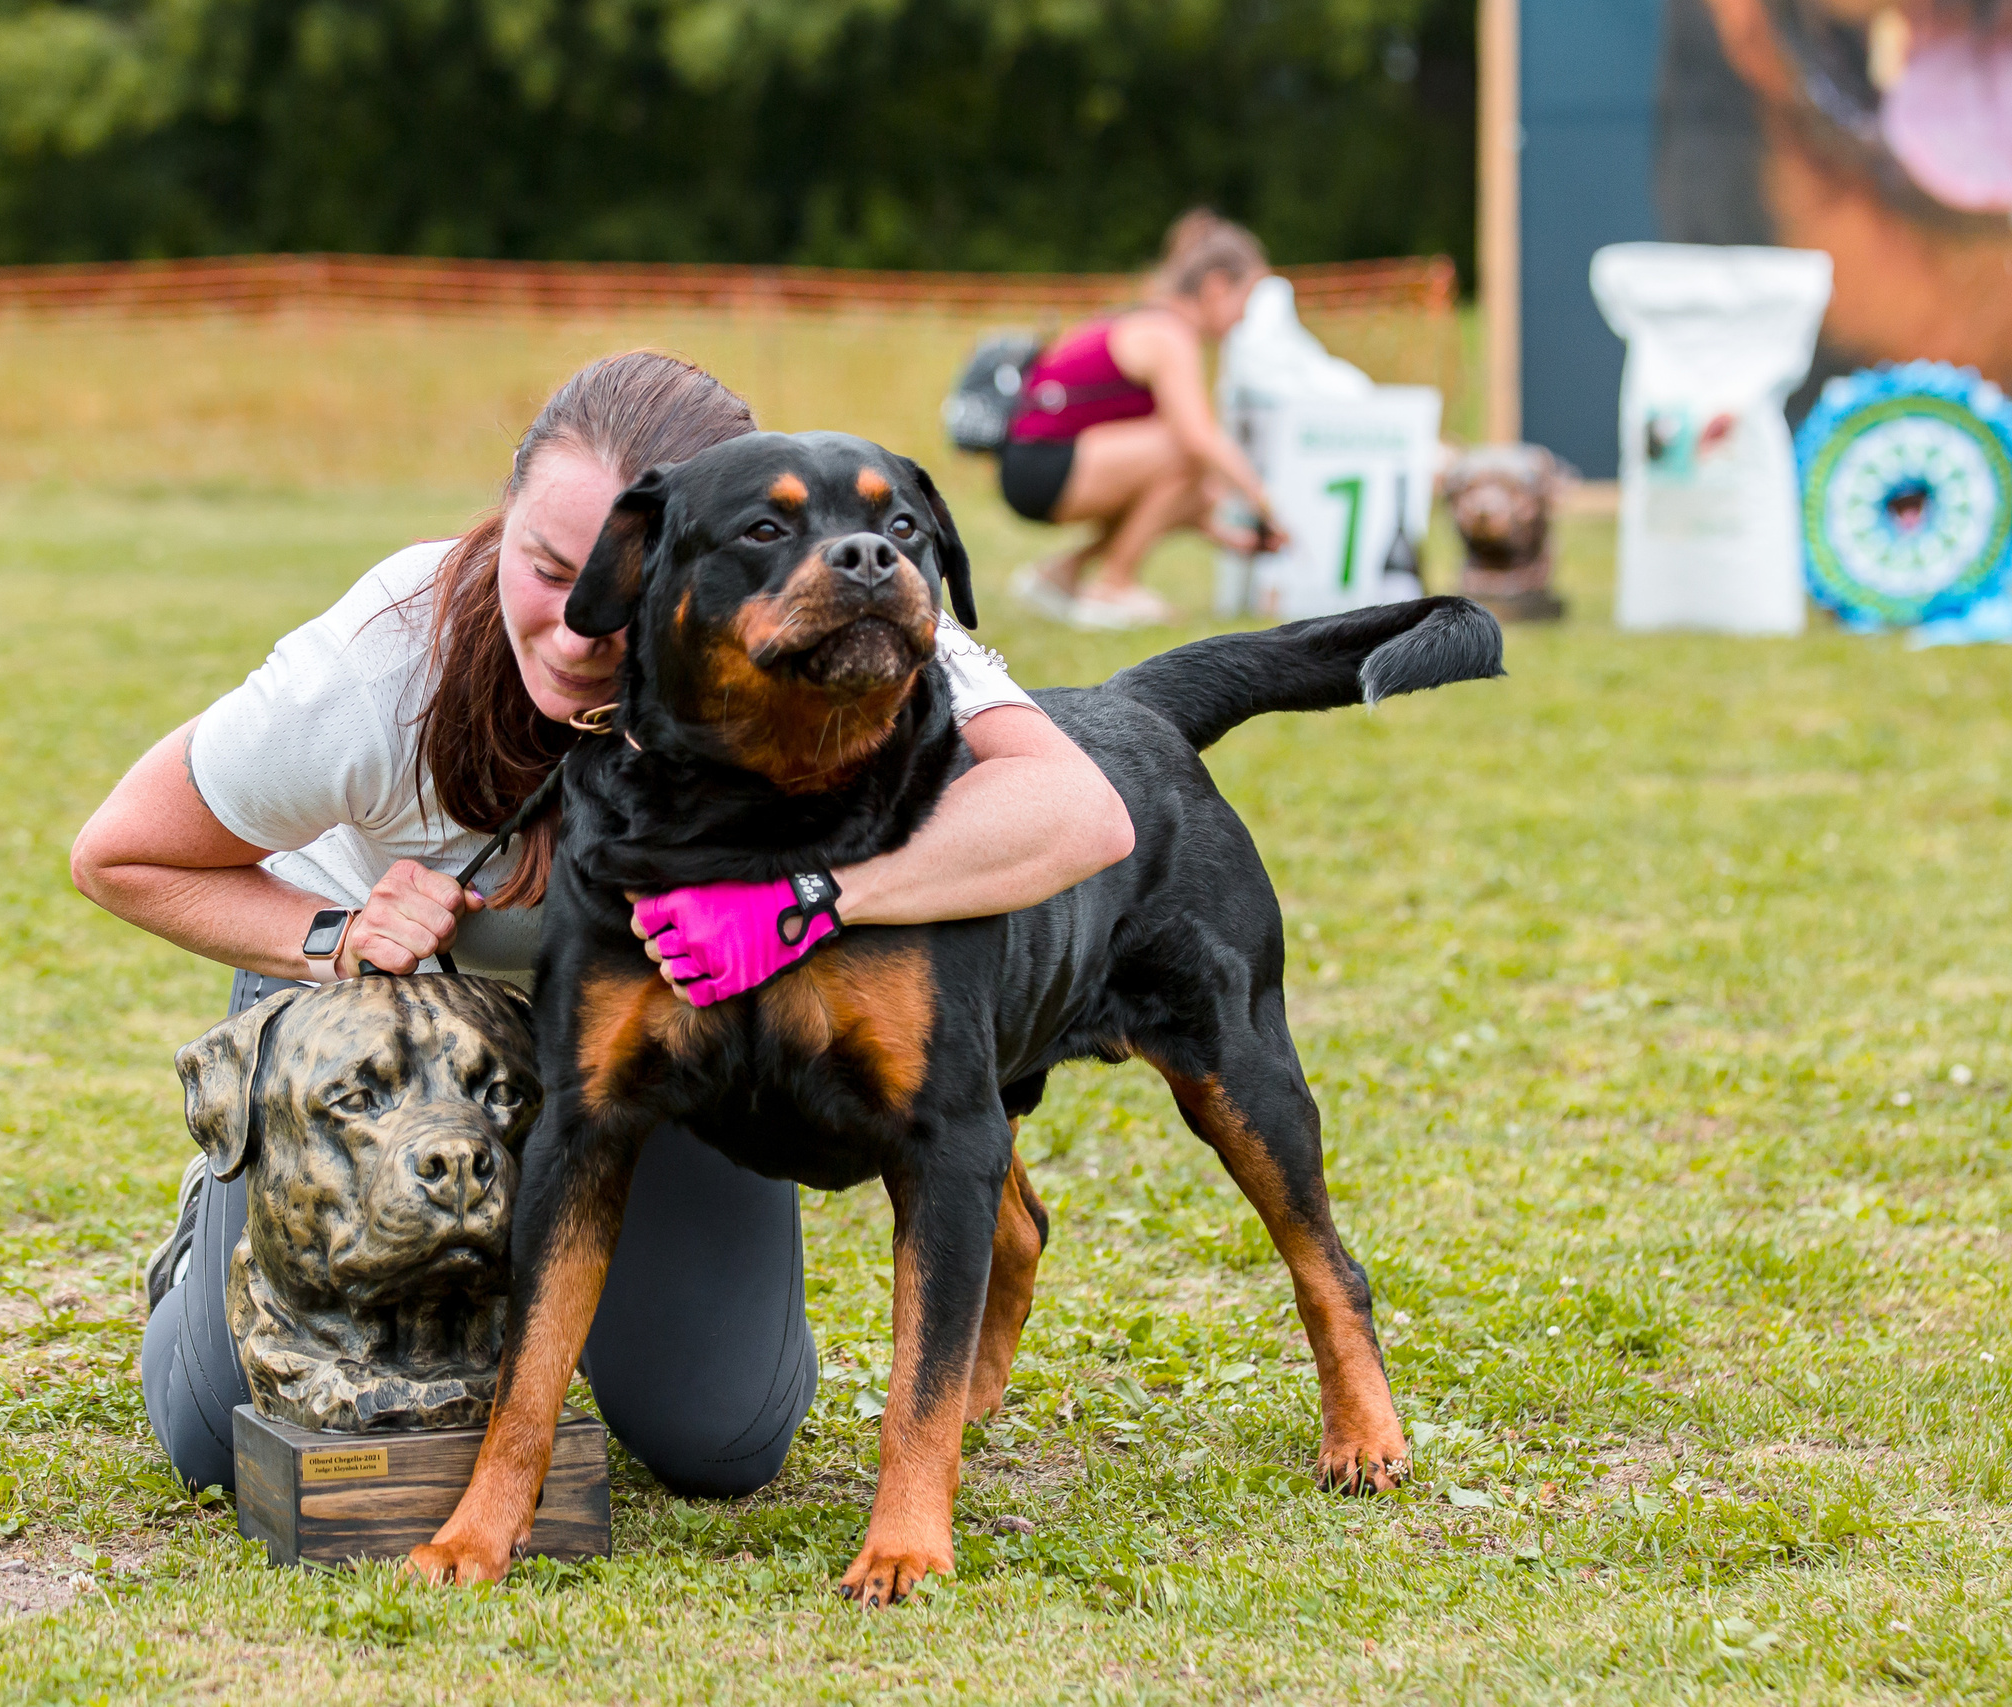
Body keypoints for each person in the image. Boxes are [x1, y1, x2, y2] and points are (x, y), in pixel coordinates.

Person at [71, 351, 1136, 1498]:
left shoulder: (826, 605)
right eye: (543, 567)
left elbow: (1080, 811)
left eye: (613, 588)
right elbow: (118, 852)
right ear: (503, 523)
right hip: (380, 1022)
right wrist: (333, 936)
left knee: (719, 1443)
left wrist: (809, 903)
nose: (579, 630)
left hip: (672, 1033)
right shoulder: (377, 658)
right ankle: (223, 1215)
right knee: (209, 1438)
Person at [999, 210, 1287, 631]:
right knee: (1185, 451)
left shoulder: (1146, 317)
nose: (1244, 318)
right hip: (1041, 465)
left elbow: (1182, 494)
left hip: (1031, 464)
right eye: (1245, 301)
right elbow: (1197, 441)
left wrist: (1230, 532)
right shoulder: (1169, 334)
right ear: (1216, 286)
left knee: (1192, 477)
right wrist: (1265, 500)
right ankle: (1113, 587)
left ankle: (1060, 575)